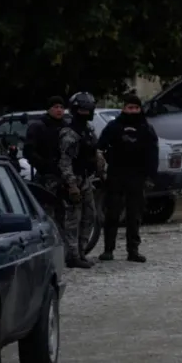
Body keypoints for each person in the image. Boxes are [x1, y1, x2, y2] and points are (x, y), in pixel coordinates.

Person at [97, 93, 159, 264]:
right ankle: (108, 250)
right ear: (124, 108)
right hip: (116, 175)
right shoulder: (113, 127)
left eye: (136, 108)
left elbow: (153, 154)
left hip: (137, 176)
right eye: (130, 107)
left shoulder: (146, 128)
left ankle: (133, 250)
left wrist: (151, 177)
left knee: (134, 215)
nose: (133, 111)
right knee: (112, 214)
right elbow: (100, 148)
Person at [57, 91, 104, 269]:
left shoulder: (88, 130)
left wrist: (100, 168)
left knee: (90, 216)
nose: (85, 113)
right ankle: (73, 255)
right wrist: (71, 185)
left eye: (88, 110)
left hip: (85, 178)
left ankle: (82, 252)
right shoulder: (69, 133)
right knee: (72, 220)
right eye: (82, 110)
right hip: (74, 180)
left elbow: (95, 150)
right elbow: (65, 161)